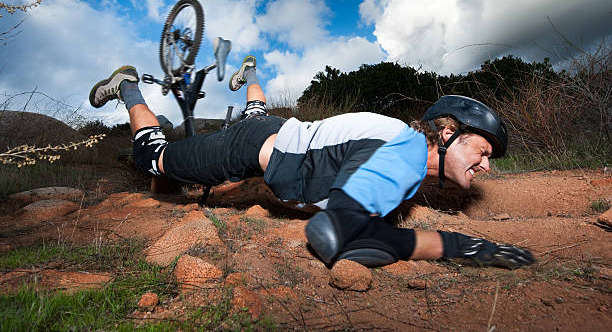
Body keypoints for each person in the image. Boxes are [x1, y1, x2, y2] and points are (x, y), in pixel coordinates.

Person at [89, 58, 535, 270]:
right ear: (449, 133)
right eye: (483, 151)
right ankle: (128, 86)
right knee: (156, 159)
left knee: (257, 115)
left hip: (277, 136)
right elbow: (330, 235)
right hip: (249, 149)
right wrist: (453, 245)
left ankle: (249, 76)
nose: (486, 166)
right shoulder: (404, 155)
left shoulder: (402, 147)